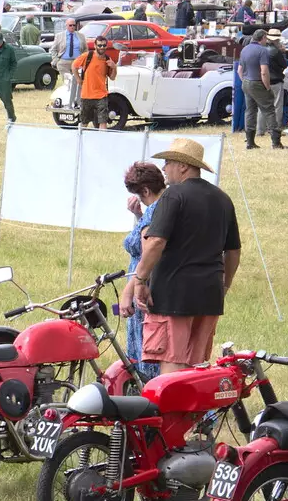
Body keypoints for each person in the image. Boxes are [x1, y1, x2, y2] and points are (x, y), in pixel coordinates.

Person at [132, 138, 241, 374]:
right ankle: (194, 413)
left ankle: (172, 413)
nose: (164, 168)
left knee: (173, 363)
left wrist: (140, 280)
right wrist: (225, 285)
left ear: (183, 166)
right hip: (209, 295)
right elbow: (233, 251)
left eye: (168, 162)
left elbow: (157, 241)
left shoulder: (173, 196)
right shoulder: (223, 199)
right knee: (197, 368)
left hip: (174, 294)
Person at [117, 161, 167, 382]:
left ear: (146, 190)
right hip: (141, 280)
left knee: (149, 347)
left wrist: (130, 289)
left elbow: (147, 249)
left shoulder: (156, 210)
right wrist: (138, 215)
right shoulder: (159, 209)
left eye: (140, 195)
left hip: (143, 284)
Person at [238, 29, 281, 149]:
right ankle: (276, 142)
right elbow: (264, 72)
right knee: (269, 110)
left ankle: (250, 142)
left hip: (246, 82)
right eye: (266, 38)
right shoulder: (263, 51)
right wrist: (267, 86)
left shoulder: (245, 49)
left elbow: (239, 70)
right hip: (257, 82)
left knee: (250, 111)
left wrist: (245, 82)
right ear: (262, 38)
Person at [72, 34, 116, 129]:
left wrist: (114, 67)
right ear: (95, 46)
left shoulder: (108, 60)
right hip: (87, 95)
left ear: (106, 46)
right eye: (99, 45)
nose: (102, 47)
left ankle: (102, 142)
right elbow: (74, 66)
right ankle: (79, 141)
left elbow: (112, 77)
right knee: (84, 123)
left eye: (104, 45)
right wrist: (78, 79)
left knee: (103, 121)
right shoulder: (87, 56)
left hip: (101, 96)